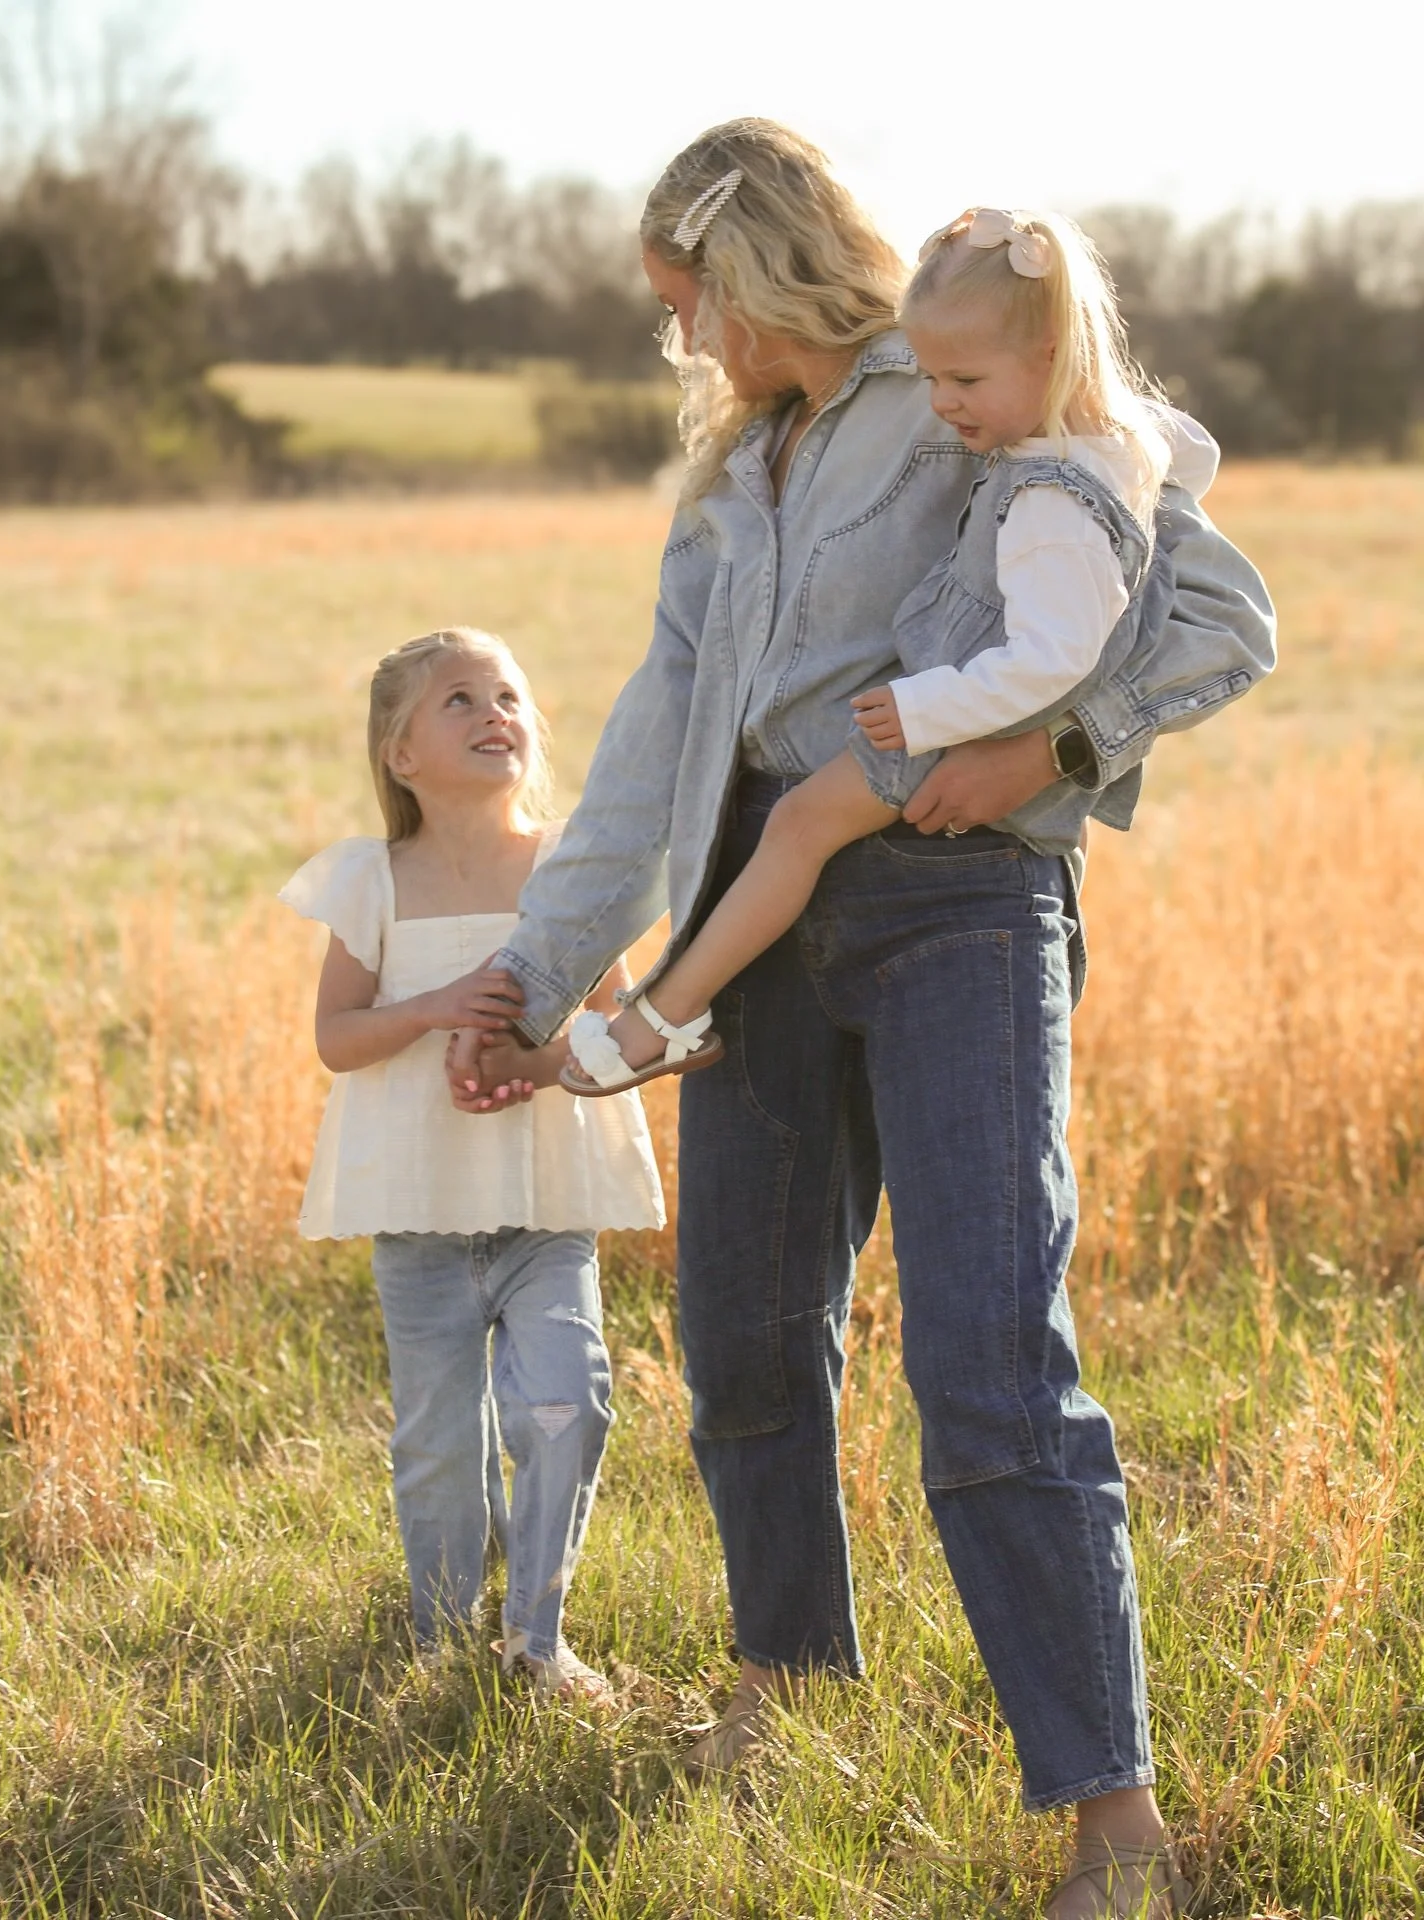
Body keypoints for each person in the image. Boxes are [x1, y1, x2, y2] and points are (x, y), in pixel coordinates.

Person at [448, 121, 1274, 1919]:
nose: (686, 351)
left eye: (689, 311)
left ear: (752, 268)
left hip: (955, 900)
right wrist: (528, 978)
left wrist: (1044, 751)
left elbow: (1216, 613)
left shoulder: (979, 383)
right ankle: (786, 1688)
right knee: (746, 1340)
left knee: (987, 1350)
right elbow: (655, 754)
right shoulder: (732, 482)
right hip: (758, 912)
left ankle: (1114, 1820)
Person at [553, 205, 1221, 1099]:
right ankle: (663, 1009)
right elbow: (1186, 450)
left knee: (797, 828)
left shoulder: (1058, 494)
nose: (940, 403)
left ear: (1054, 356)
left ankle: (663, 1014)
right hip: (955, 712)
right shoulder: (1092, 447)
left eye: (964, 379)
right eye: (936, 377)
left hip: (952, 732)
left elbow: (1051, 660)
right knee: (795, 836)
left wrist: (929, 711)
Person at [279, 627, 663, 1703]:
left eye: (508, 695)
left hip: (546, 1195)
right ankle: (444, 1643)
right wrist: (437, 1009)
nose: (495, 712)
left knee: (567, 1404)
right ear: (400, 754)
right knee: (441, 1445)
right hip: (422, 1211)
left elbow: (617, 1019)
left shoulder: (567, 871)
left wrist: (535, 1064)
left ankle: (540, 1640)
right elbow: (339, 1038)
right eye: (460, 700)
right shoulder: (375, 882)